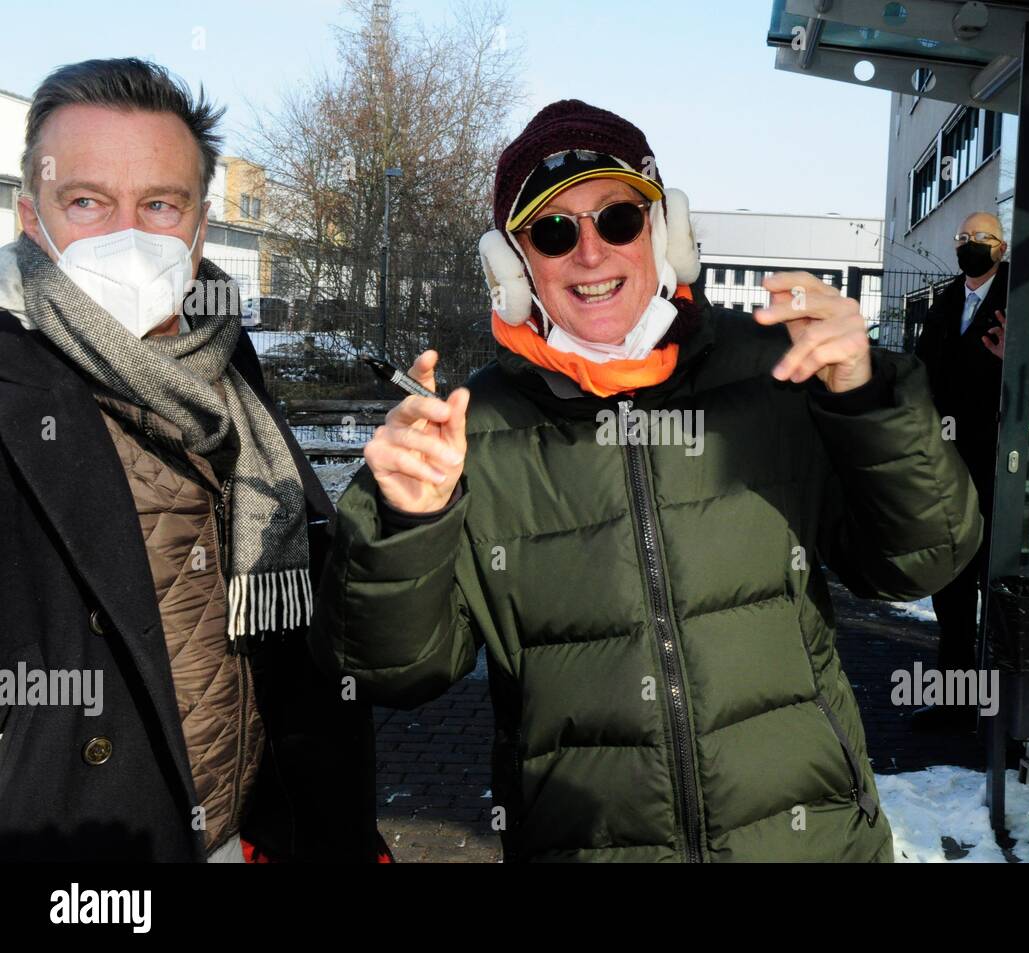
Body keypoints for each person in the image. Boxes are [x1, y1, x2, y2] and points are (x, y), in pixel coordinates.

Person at [311, 100, 983, 862]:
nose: (591, 254)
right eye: (555, 232)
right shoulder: (471, 432)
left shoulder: (778, 373)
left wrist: (868, 400)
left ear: (667, 232)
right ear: (513, 267)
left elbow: (923, 559)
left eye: (619, 219)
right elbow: (390, 671)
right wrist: (404, 525)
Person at [0, 58, 386, 862]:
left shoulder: (225, 368)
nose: (130, 237)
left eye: (159, 205)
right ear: (33, 221)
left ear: (200, 227)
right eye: (87, 202)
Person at [911, 212, 1008, 732]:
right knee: (950, 589)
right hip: (945, 470)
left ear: (1002, 247)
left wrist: (1013, 360)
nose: (971, 246)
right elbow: (921, 372)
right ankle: (954, 704)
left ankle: (996, 709)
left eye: (982, 239)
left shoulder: (1026, 301)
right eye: (964, 239)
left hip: (999, 470)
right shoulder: (945, 302)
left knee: (994, 589)